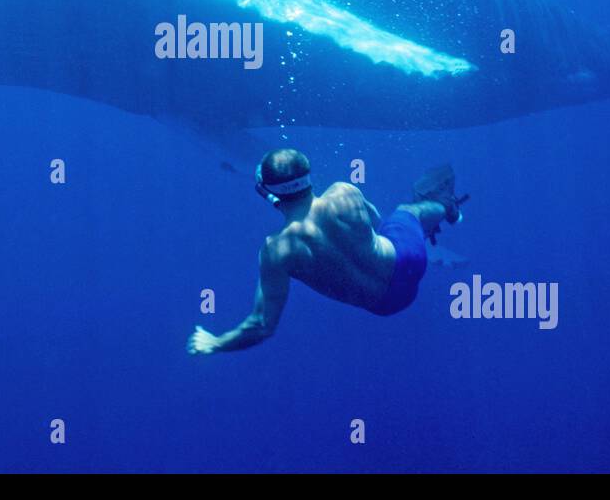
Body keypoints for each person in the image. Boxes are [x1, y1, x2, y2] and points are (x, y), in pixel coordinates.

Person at [187, 148, 467, 355]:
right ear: (308, 177)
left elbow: (262, 326)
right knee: (408, 212)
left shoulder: (276, 250)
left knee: (400, 223)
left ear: (267, 194)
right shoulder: (345, 192)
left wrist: (214, 343)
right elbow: (379, 222)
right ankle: (448, 207)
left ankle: (435, 218)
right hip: (408, 259)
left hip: (386, 304)